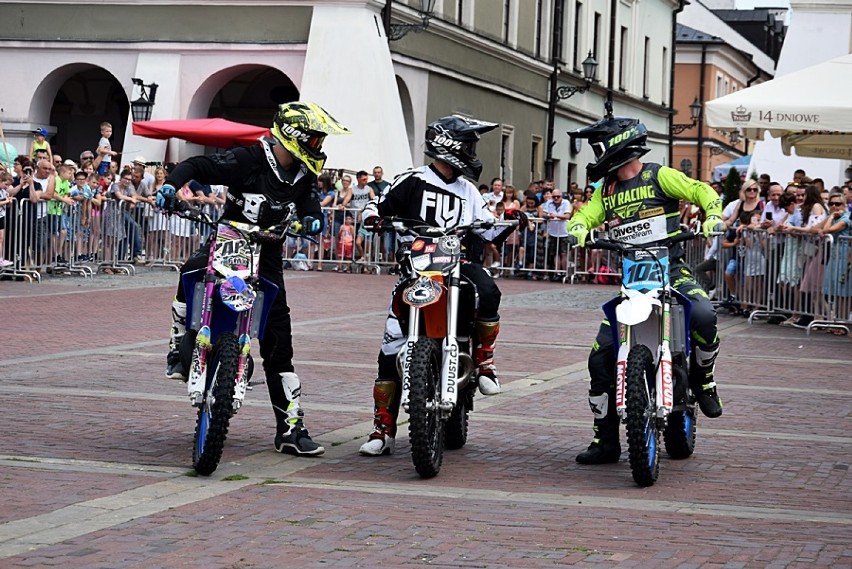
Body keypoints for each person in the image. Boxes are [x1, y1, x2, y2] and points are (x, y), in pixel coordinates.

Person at [156, 101, 349, 456]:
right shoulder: (250, 159)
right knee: (191, 271)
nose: (319, 147)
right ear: (293, 135)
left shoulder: (303, 175)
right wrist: (172, 186)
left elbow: (309, 204)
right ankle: (177, 340)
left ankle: (291, 429)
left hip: (269, 251)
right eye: (315, 139)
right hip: (229, 239)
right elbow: (198, 164)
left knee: (279, 339)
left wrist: (313, 219)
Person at [357, 115, 526, 456]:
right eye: (469, 144)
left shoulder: (469, 191)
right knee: (390, 349)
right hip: (417, 269)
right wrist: (373, 217)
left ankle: (484, 361)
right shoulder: (413, 179)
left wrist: (508, 221)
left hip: (459, 266)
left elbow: (488, 229)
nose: (472, 152)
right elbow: (379, 205)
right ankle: (382, 428)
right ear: (450, 145)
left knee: (490, 291)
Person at [566, 113, 724, 465]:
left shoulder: (658, 174)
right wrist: (578, 227)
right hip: (633, 281)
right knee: (600, 357)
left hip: (673, 270)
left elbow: (700, 190)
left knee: (703, 312)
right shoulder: (605, 189)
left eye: (599, 145)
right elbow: (586, 215)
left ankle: (705, 380)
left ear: (618, 143)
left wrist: (713, 214)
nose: (596, 153)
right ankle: (604, 439)